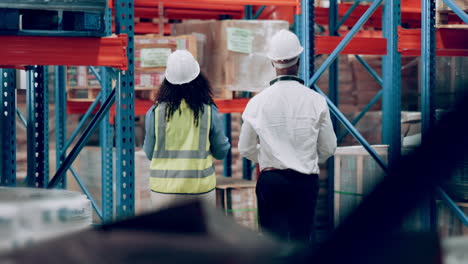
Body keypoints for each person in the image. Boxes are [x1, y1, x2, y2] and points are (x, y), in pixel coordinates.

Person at [238, 30, 337, 243]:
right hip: (305, 181)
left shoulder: (257, 103)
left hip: (272, 181)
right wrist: (304, 157)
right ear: (299, 60)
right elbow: (329, 147)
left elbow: (245, 148)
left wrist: (266, 158)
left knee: (272, 244)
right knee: (301, 241)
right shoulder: (316, 100)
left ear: (273, 63)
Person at [143, 50, 230, 211]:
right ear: (198, 79)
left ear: (167, 82)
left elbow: (149, 153)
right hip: (200, 189)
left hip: (164, 190)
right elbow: (221, 151)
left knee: (168, 236)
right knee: (199, 237)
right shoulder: (208, 111)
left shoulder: (155, 113)